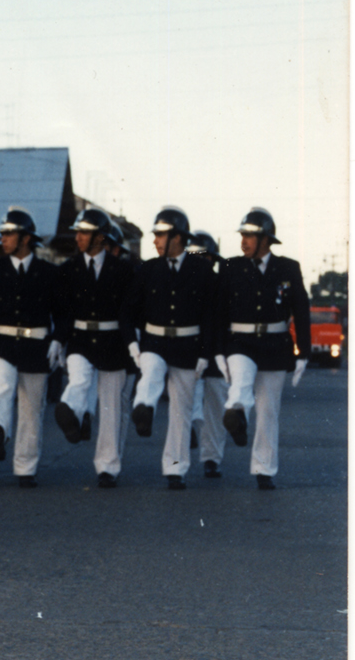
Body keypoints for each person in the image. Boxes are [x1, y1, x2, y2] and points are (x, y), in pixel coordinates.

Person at [121, 206, 217, 490]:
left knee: (181, 412)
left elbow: (212, 316)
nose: (155, 241)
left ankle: (175, 469)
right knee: (150, 371)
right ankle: (143, 409)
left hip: (189, 346)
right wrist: (132, 344)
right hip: (154, 341)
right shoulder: (148, 270)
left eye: (160, 235)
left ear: (177, 237)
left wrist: (204, 354)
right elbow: (128, 310)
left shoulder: (202, 270)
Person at [216, 207, 310, 490]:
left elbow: (301, 310)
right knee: (241, 382)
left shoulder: (288, 268)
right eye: (242, 234)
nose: (243, 241)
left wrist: (303, 352)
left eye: (250, 236)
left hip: (275, 345)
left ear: (266, 239)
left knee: (269, 409)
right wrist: (218, 349)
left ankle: (264, 469)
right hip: (240, 342)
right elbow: (218, 311)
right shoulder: (230, 267)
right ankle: (236, 414)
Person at [0, 207, 66, 487]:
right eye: (2, 233)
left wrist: (57, 340)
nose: (3, 238)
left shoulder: (49, 273)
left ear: (26, 238)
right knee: (2, 386)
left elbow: (63, 313)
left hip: (37, 345)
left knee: (32, 408)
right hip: (2, 342)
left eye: (9, 234)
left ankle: (25, 468)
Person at [53, 207, 137, 487]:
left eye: (84, 232)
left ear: (100, 237)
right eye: (77, 232)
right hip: (79, 339)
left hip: (113, 343)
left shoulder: (124, 271)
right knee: (79, 377)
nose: (78, 237)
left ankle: (107, 467)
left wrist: (133, 346)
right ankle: (70, 411)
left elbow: (128, 313)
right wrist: (57, 339)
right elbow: (63, 312)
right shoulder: (68, 270)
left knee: (111, 407)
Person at [185, 230, 230, 477]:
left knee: (216, 408)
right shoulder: (180, 284)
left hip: (215, 353)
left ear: (212, 260)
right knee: (187, 403)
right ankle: (180, 456)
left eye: (203, 258)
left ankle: (212, 458)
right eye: (194, 257)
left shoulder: (220, 284)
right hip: (189, 350)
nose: (199, 263)